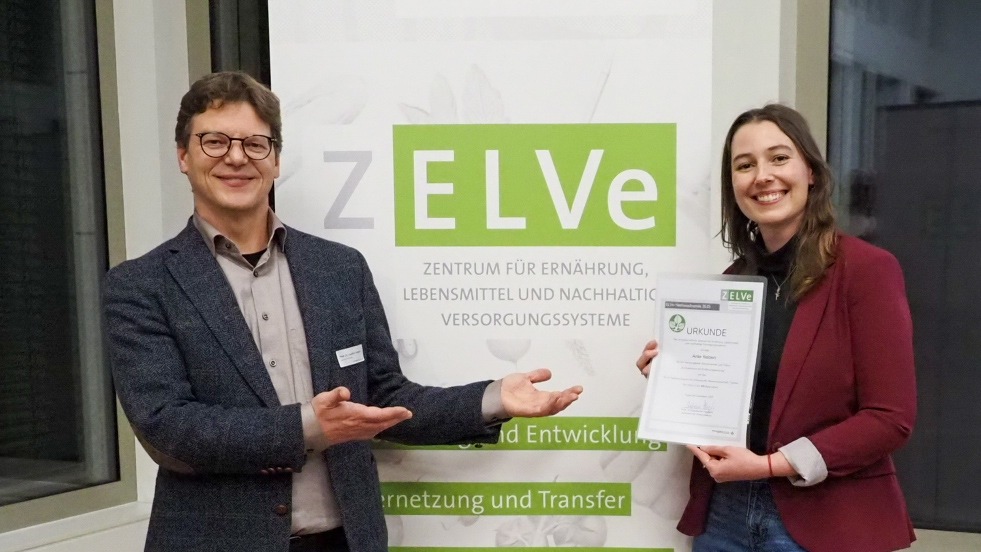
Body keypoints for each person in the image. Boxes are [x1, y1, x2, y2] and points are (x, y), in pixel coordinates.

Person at [103, 71, 583, 552]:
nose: (236, 157)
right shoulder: (141, 286)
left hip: (346, 541)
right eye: (214, 141)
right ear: (183, 156)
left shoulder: (338, 268)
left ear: (275, 160)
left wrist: (493, 398)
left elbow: (385, 397)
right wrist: (309, 427)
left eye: (255, 144)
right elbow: (168, 428)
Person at [635, 104, 916, 552]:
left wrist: (771, 466)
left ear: (811, 172)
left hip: (827, 521)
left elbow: (890, 419)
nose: (762, 176)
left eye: (779, 158)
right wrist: (673, 380)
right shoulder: (731, 285)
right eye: (745, 165)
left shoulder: (866, 271)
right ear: (733, 186)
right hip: (725, 515)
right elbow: (730, 406)